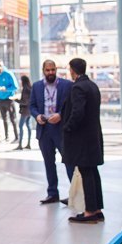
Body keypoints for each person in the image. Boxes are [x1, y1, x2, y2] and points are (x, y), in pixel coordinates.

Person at [62, 58, 104, 224]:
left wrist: (68, 127)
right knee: (93, 172)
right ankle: (97, 209)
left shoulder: (78, 87)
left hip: (82, 138)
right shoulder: (93, 86)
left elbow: (78, 112)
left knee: (86, 173)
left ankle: (89, 212)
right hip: (93, 136)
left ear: (73, 70)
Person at [29, 59, 74, 205]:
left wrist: (60, 114)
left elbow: (71, 105)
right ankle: (52, 193)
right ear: (43, 70)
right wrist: (37, 116)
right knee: (49, 163)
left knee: (69, 162)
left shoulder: (67, 85)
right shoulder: (36, 86)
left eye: (53, 70)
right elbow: (32, 106)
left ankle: (75, 194)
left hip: (61, 129)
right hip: (44, 129)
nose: (50, 73)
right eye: (48, 70)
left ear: (56, 69)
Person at [0, 60, 19, 142]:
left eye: (0, 66)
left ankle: (16, 137)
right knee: (4, 119)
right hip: (1, 100)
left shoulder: (9, 74)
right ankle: (7, 137)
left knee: (13, 119)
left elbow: (15, 87)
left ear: (3, 65)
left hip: (9, 99)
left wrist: (6, 89)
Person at [17, 75, 33, 150]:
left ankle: (20, 145)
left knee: (20, 126)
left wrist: (16, 100)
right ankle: (28, 144)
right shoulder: (29, 88)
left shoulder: (25, 89)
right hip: (29, 110)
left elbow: (25, 102)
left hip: (25, 111)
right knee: (28, 125)